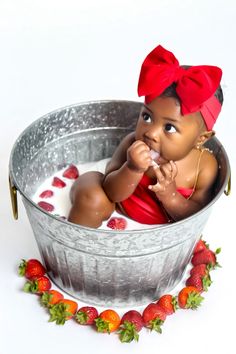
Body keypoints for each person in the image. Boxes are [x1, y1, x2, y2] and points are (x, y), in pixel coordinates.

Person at [68, 44, 223, 228]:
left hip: (158, 236)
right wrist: (132, 169)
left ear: (201, 138)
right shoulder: (132, 143)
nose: (150, 132)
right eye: (147, 117)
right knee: (92, 193)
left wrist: (171, 196)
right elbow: (110, 192)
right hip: (115, 211)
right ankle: (76, 244)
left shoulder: (204, 167)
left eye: (169, 128)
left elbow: (196, 215)